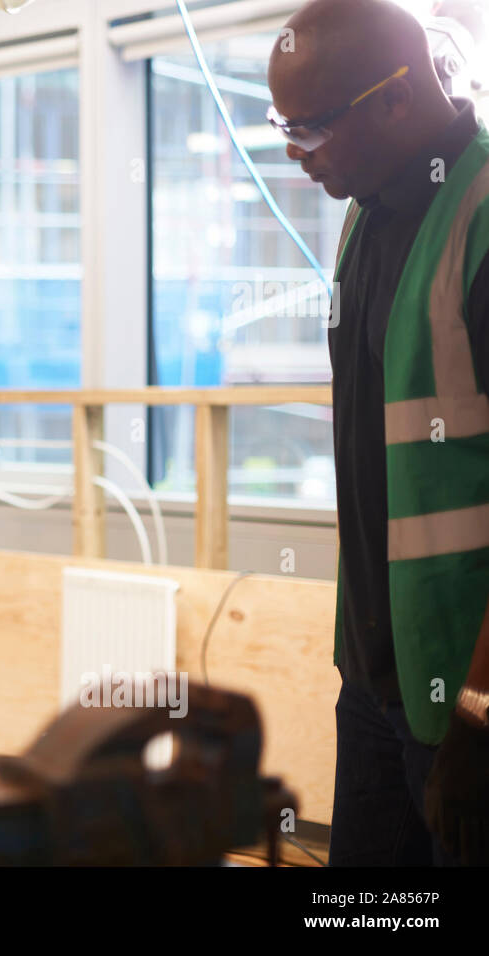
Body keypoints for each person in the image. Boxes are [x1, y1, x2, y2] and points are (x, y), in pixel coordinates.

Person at [269, 0, 489, 865]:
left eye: (314, 127)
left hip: (466, 704)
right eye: (284, 127)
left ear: (398, 99)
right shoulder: (364, 215)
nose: (296, 152)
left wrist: (476, 711)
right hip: (372, 677)